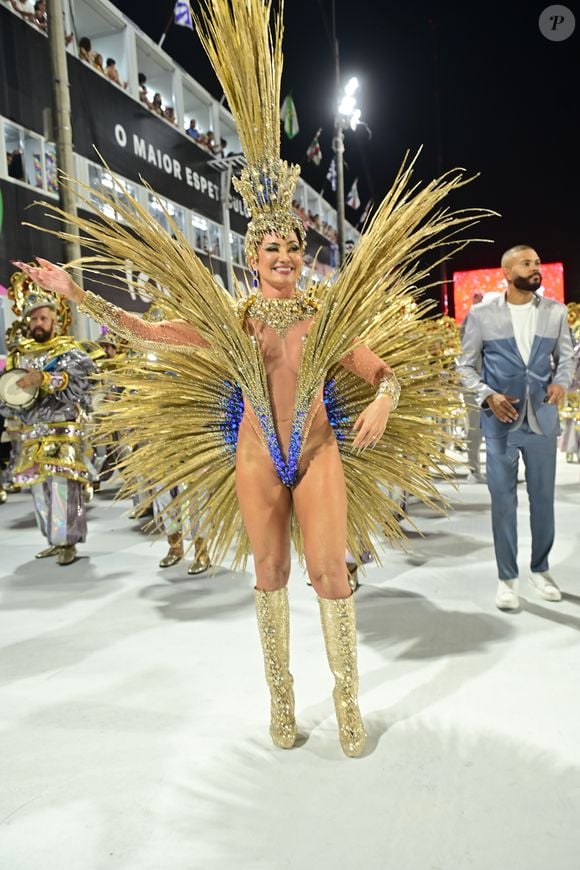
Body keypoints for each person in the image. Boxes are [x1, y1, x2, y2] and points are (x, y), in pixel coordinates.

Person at [14, 0, 487, 756]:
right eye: (270, 246)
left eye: (292, 245)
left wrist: (386, 401)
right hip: (255, 454)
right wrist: (79, 298)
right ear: (252, 251)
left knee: (331, 574)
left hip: (321, 449)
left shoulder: (328, 314)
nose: (283, 255)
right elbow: (149, 331)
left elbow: (379, 369)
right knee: (268, 572)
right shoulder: (232, 319)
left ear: (302, 253)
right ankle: (282, 704)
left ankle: (347, 703)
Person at [457, 245, 575, 611]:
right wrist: (488, 395)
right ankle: (507, 579)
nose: (535, 268)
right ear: (507, 273)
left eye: (537, 263)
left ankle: (540, 569)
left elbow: (568, 358)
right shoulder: (480, 316)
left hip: (542, 420)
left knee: (543, 503)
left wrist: (562, 381)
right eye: (527, 263)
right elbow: (465, 367)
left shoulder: (555, 313)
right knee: (503, 504)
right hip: (500, 424)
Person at [0, 269, 96, 565]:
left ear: (55, 320)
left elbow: (81, 383)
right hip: (31, 433)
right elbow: (9, 394)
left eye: (43, 318)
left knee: (63, 487)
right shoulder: (19, 355)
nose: (37, 323)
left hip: (62, 430)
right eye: (33, 318)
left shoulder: (69, 351)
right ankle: (53, 541)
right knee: (39, 490)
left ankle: (68, 542)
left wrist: (44, 379)